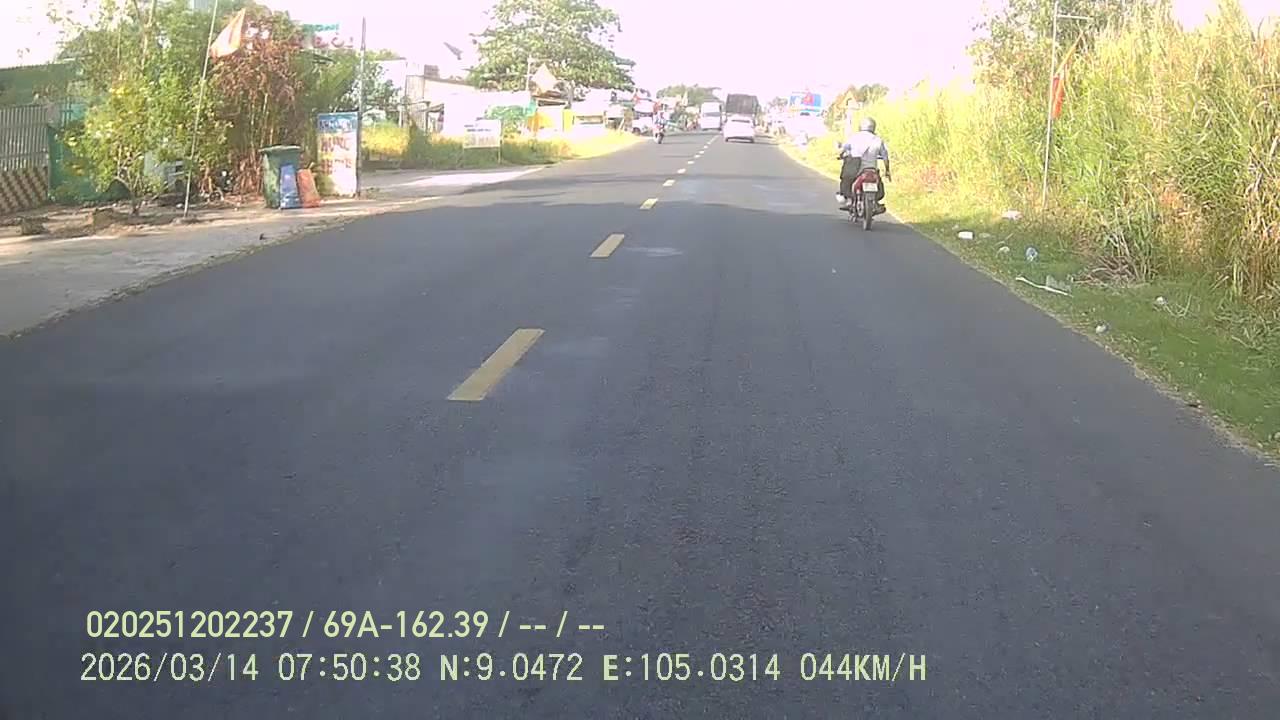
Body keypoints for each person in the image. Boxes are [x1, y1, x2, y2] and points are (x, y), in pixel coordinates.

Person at [837, 117, 891, 213]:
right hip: (872, 170)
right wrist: (887, 170)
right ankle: (875, 203)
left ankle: (849, 200)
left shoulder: (854, 138)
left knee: (846, 180)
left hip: (856, 170)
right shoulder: (878, 140)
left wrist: (841, 155)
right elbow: (885, 157)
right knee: (879, 185)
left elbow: (843, 149)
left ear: (861, 126)